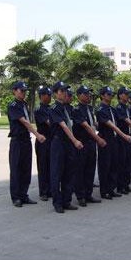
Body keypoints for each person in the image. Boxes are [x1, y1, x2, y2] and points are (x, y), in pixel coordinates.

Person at [7, 81, 46, 208]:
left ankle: (24, 195)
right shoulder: (13, 105)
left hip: (26, 140)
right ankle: (16, 197)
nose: (24, 93)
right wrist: (37, 134)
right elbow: (24, 122)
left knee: (26, 169)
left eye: (25, 91)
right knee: (16, 169)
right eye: (21, 90)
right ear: (14, 91)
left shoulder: (24, 104)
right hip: (17, 141)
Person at [49, 81, 84, 213]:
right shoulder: (54, 108)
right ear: (55, 93)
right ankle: (57, 203)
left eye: (65, 91)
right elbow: (63, 126)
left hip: (68, 143)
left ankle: (66, 200)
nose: (64, 93)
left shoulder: (68, 108)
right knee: (57, 173)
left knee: (69, 172)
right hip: (59, 143)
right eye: (62, 91)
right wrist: (75, 141)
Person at [96, 86, 131, 199]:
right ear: (102, 96)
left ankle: (111, 189)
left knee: (114, 165)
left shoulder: (112, 109)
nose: (111, 96)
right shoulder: (100, 109)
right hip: (106, 141)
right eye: (108, 94)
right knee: (105, 166)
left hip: (114, 140)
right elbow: (112, 126)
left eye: (111, 94)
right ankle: (104, 191)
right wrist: (124, 136)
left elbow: (118, 124)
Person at [72, 85, 105, 206]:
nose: (89, 96)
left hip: (91, 142)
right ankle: (81, 196)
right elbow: (86, 126)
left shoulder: (90, 108)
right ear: (79, 95)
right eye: (86, 94)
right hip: (82, 142)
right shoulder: (77, 110)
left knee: (90, 169)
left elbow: (93, 124)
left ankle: (88, 194)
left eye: (89, 94)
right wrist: (98, 138)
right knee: (80, 169)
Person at [34, 85, 52, 201]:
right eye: (48, 95)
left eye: (50, 95)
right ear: (42, 96)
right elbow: (50, 123)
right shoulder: (39, 109)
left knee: (51, 165)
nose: (50, 97)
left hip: (51, 139)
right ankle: (44, 191)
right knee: (43, 166)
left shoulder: (50, 108)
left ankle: (50, 189)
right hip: (43, 140)